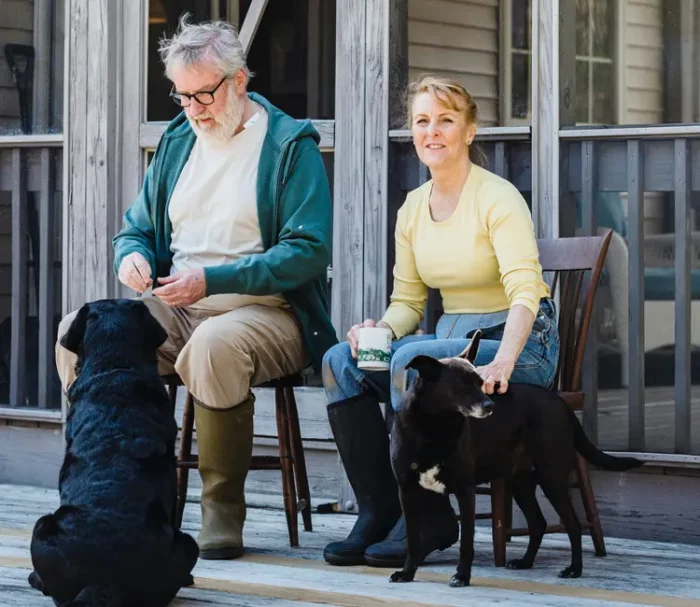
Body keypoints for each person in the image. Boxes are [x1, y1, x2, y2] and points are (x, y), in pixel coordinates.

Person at [54, 16, 337, 560]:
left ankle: (220, 512)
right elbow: (134, 227)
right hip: (178, 304)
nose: (193, 109)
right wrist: (131, 256)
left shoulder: (287, 145)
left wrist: (214, 279)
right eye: (182, 97)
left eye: (203, 94)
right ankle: (99, 486)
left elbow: (306, 252)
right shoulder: (179, 141)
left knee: (214, 346)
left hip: (267, 311)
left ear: (239, 80)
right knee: (78, 332)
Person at [321, 76, 560, 568]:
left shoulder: (499, 197)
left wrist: (507, 362)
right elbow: (408, 303)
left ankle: (428, 518)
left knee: (410, 361)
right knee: (340, 361)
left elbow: (524, 291)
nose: (433, 131)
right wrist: (377, 333)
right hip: (457, 343)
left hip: (519, 343)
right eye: (422, 121)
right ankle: (381, 507)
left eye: (446, 120)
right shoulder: (412, 208)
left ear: (469, 131)